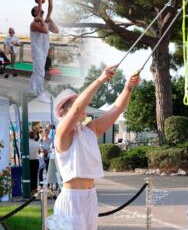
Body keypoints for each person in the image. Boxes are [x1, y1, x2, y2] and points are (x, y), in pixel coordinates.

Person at [47, 66, 140, 229]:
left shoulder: (89, 130)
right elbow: (76, 110)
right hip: (71, 199)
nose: (81, 105)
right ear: (62, 111)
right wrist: (100, 80)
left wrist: (128, 88)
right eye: (73, 102)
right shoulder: (62, 133)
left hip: (90, 197)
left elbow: (116, 110)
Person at [28, 7, 58, 100]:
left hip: (44, 50)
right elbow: (45, 30)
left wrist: (51, 21)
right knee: (40, 72)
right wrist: (42, 20)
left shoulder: (44, 23)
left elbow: (56, 31)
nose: (40, 8)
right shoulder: (33, 24)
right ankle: (40, 94)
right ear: (34, 13)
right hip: (37, 51)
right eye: (37, 8)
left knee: (36, 71)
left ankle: (31, 90)